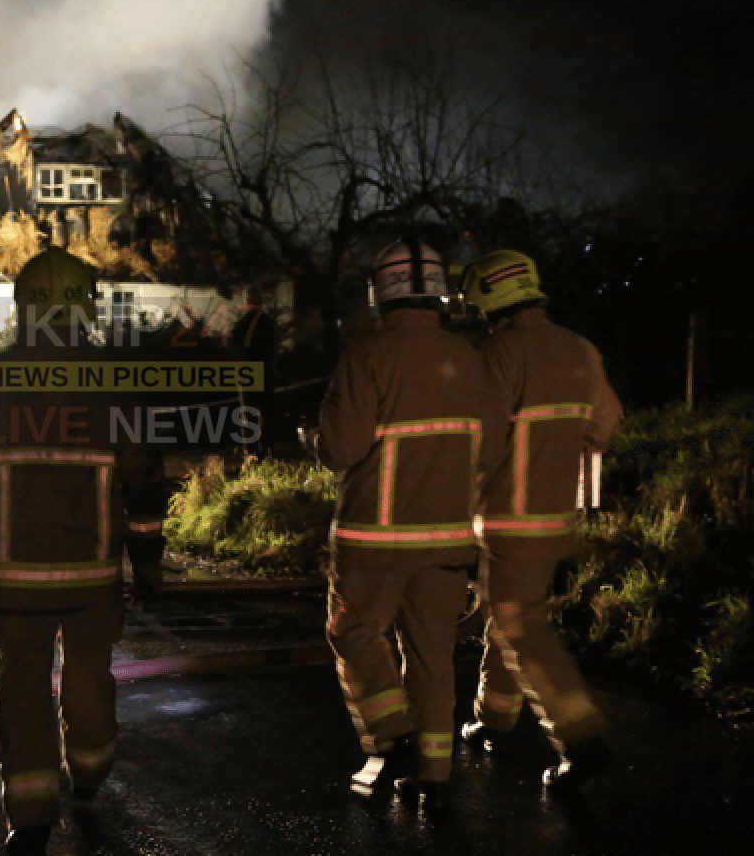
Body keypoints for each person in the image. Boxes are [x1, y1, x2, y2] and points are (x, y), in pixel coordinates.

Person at [0, 247, 167, 855]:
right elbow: (144, 480)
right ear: (85, 310)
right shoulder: (115, 385)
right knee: (90, 671)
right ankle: (89, 772)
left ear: (24, 308)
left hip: (12, 580)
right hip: (92, 578)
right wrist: (146, 560)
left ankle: (30, 819)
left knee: (23, 685)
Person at [318, 239, 508, 811]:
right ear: (440, 291)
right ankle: (434, 774)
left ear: (381, 293)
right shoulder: (476, 358)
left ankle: (393, 732)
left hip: (375, 539)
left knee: (353, 633)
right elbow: (494, 448)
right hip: (449, 539)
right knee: (432, 653)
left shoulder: (367, 355)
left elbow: (339, 447)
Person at [458, 249, 622, 792]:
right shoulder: (581, 349)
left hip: (509, 519)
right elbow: (604, 427)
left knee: (518, 627)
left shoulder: (499, 354)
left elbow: (479, 444)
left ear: (487, 299)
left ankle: (579, 738)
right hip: (561, 517)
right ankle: (494, 719)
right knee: (508, 613)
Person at [229, 285, 279, 454]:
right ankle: (267, 450)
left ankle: (250, 452)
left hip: (247, 372)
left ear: (248, 301)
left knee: (248, 413)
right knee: (267, 413)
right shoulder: (267, 322)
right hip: (265, 370)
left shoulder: (242, 324)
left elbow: (233, 346)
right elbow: (273, 347)